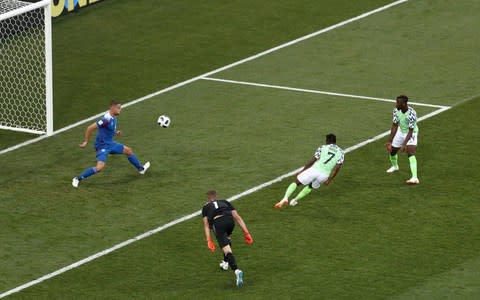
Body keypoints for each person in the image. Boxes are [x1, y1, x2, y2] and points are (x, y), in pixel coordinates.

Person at [72, 100, 150, 187]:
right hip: (102, 146)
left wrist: (115, 132)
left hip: (110, 144)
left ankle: (141, 169)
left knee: (128, 151)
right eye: (118, 108)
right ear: (112, 107)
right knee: (99, 167)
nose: (120, 110)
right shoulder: (106, 119)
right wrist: (86, 141)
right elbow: (89, 128)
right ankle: (77, 178)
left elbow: (108, 129)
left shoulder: (114, 118)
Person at [275, 133, 344, 208]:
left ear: (327, 140)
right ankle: (295, 200)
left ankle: (285, 198)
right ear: (335, 141)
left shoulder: (323, 147)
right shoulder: (341, 152)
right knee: (310, 186)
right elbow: (337, 167)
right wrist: (330, 179)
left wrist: (303, 170)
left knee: (296, 182)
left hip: (315, 170)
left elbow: (313, 160)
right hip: (324, 175)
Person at [201, 190, 253, 286]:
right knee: (227, 239)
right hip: (230, 221)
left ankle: (237, 271)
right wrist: (246, 233)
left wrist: (209, 240)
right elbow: (237, 216)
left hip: (219, 223)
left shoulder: (205, 207)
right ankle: (225, 263)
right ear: (217, 197)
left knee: (227, 250)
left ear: (208, 199)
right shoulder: (225, 202)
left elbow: (206, 224)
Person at [385, 94, 420, 184]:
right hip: (401, 131)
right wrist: (389, 141)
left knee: (410, 151)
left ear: (404, 104)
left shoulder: (412, 114)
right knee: (392, 151)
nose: (396, 104)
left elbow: (411, 130)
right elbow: (394, 125)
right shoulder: (396, 110)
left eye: (398, 103)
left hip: (411, 133)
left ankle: (414, 178)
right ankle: (395, 166)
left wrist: (404, 144)